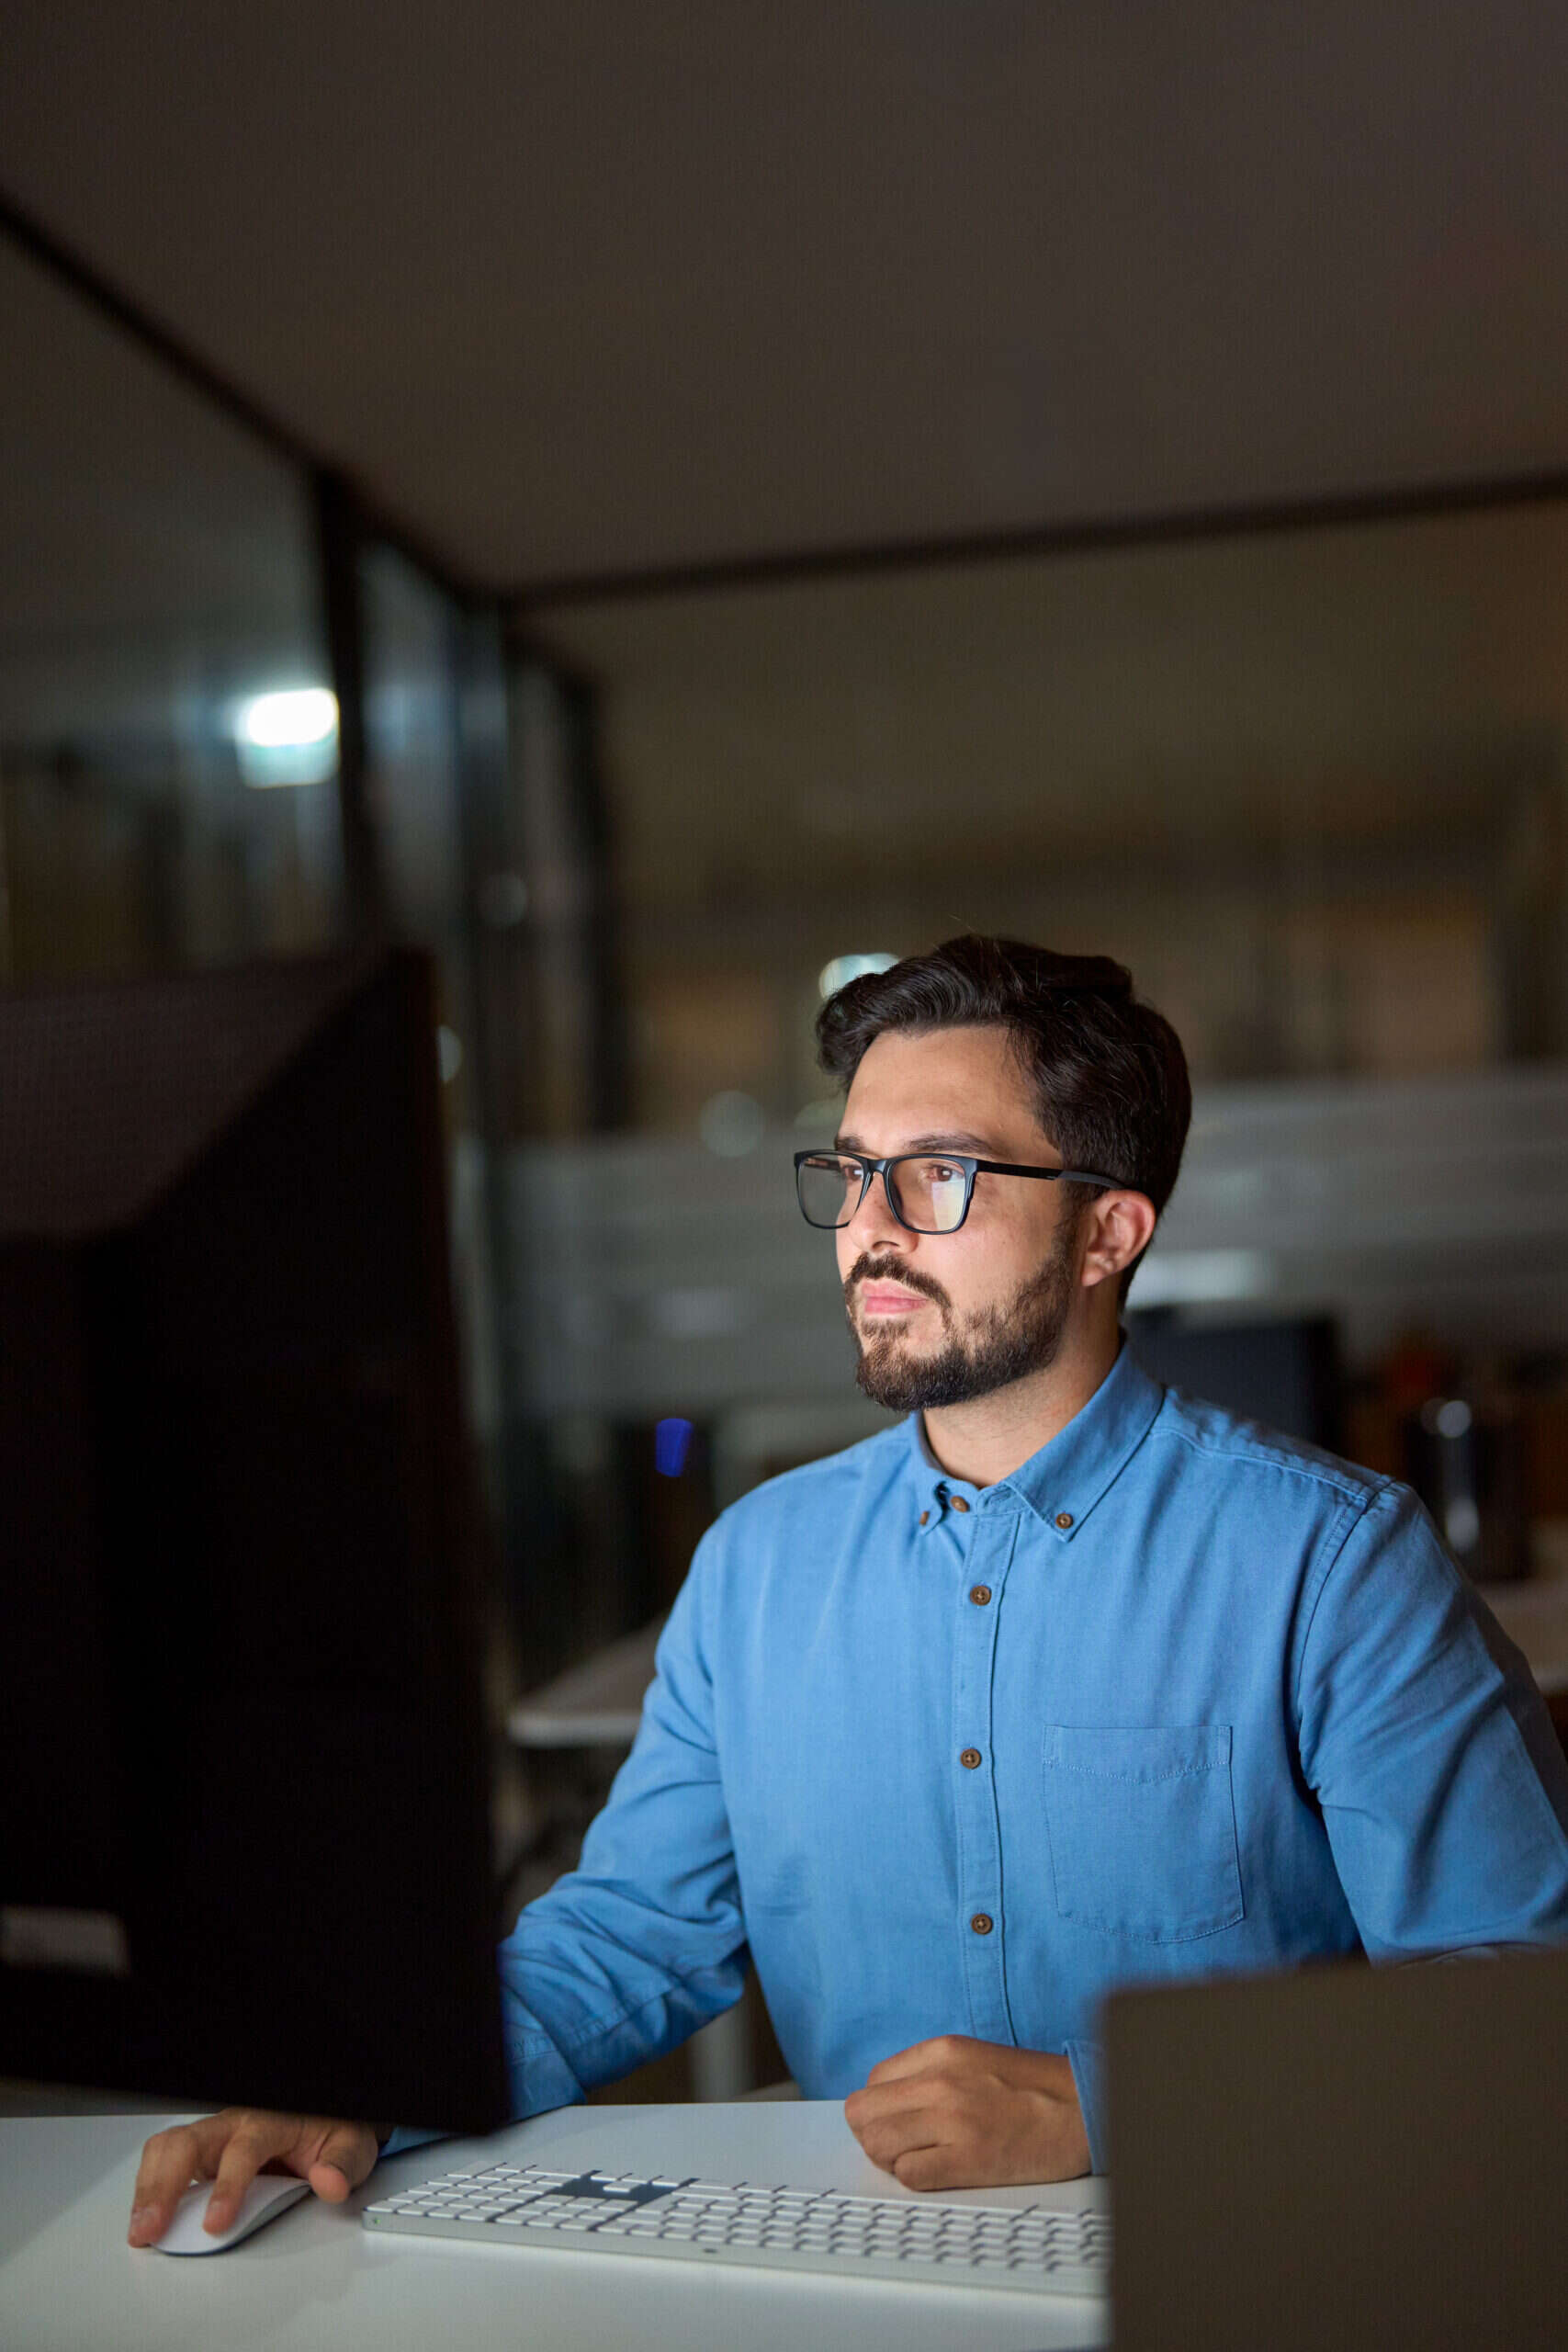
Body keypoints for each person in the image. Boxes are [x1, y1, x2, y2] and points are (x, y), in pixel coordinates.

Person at [129, 933, 1568, 2245]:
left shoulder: (1330, 1559)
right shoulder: (759, 1566)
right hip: (862, 2258)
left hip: (1256, 2243)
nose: (868, 1227)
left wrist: (1102, 2108)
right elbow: (629, 1934)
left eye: (937, 1173)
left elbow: (1512, 2000)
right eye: (851, 1169)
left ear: (1106, 1233)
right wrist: (360, 2081)